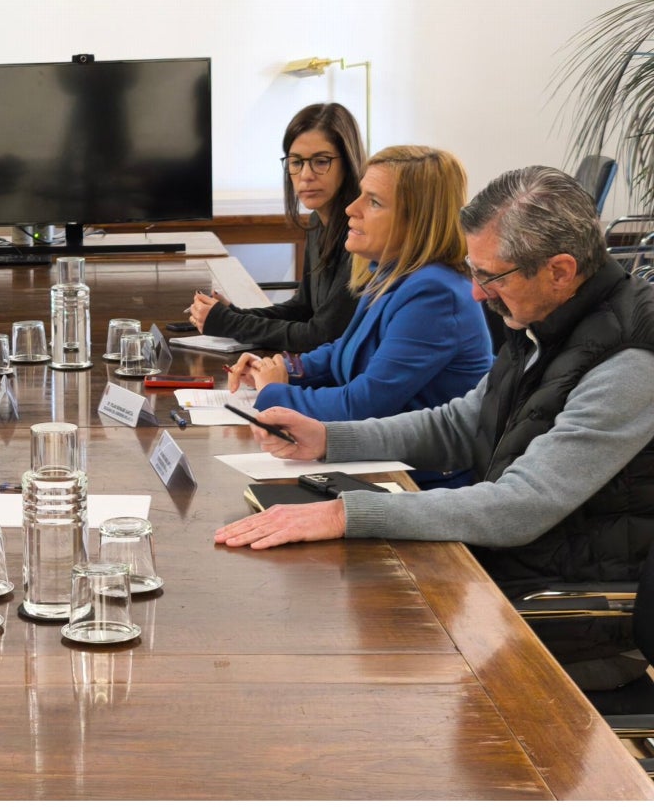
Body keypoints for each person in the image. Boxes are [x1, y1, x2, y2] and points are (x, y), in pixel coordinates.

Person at [215, 165, 654, 689]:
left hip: (558, 611)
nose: (475, 293)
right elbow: (464, 423)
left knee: (333, 665)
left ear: (560, 270)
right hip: (498, 572)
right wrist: (330, 438)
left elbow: (522, 505)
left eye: (490, 276)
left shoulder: (631, 360)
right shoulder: (546, 317)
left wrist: (346, 513)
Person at [226, 146, 491, 488]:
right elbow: (343, 351)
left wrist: (275, 392)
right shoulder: (392, 272)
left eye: (374, 202)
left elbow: (362, 405)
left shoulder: (435, 294)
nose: (351, 209)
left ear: (418, 221)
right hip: (376, 463)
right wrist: (286, 369)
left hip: (418, 483)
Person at [187, 103, 363, 350]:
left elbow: (322, 334)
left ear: (349, 162)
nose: (306, 175)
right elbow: (303, 307)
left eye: (321, 161)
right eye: (296, 162)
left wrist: (231, 323)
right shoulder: (317, 221)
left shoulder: (361, 235)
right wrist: (234, 314)